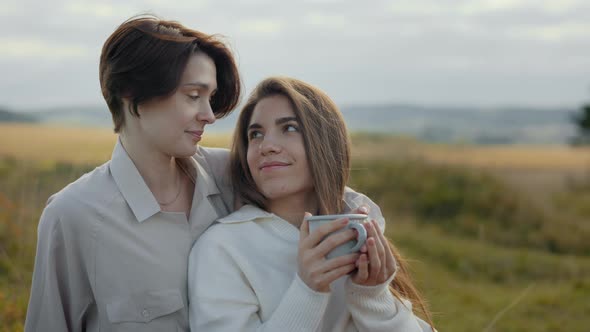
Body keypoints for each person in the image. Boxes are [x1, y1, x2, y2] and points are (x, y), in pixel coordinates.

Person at [25, 16, 379, 332]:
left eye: (210, 98)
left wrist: (362, 225)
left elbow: (322, 190)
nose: (210, 115)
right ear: (132, 95)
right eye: (193, 95)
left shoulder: (233, 173)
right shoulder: (73, 216)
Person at [188, 77, 435, 331]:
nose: (267, 146)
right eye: (256, 134)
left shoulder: (357, 231)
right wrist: (308, 291)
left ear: (325, 141)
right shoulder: (222, 248)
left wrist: (373, 297)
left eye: (290, 128)